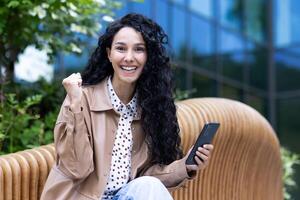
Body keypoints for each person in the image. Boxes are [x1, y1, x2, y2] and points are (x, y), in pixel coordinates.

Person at [41, 13, 214, 200]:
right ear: (109, 54)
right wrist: (75, 105)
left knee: (150, 185)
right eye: (121, 49)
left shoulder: (148, 107)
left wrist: (186, 166)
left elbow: (145, 180)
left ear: (148, 56)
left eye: (139, 49)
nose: (129, 58)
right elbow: (76, 168)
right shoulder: (81, 98)